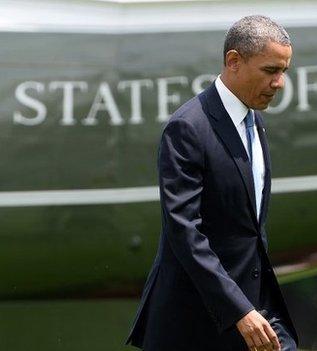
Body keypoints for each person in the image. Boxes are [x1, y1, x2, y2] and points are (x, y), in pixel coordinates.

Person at [124, 15, 298, 351]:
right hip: (196, 325)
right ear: (234, 61)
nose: (279, 83)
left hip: (255, 317)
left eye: (284, 71)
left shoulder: (255, 122)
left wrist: (253, 308)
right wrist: (239, 310)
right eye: (270, 71)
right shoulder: (187, 128)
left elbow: (249, 231)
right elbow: (185, 232)